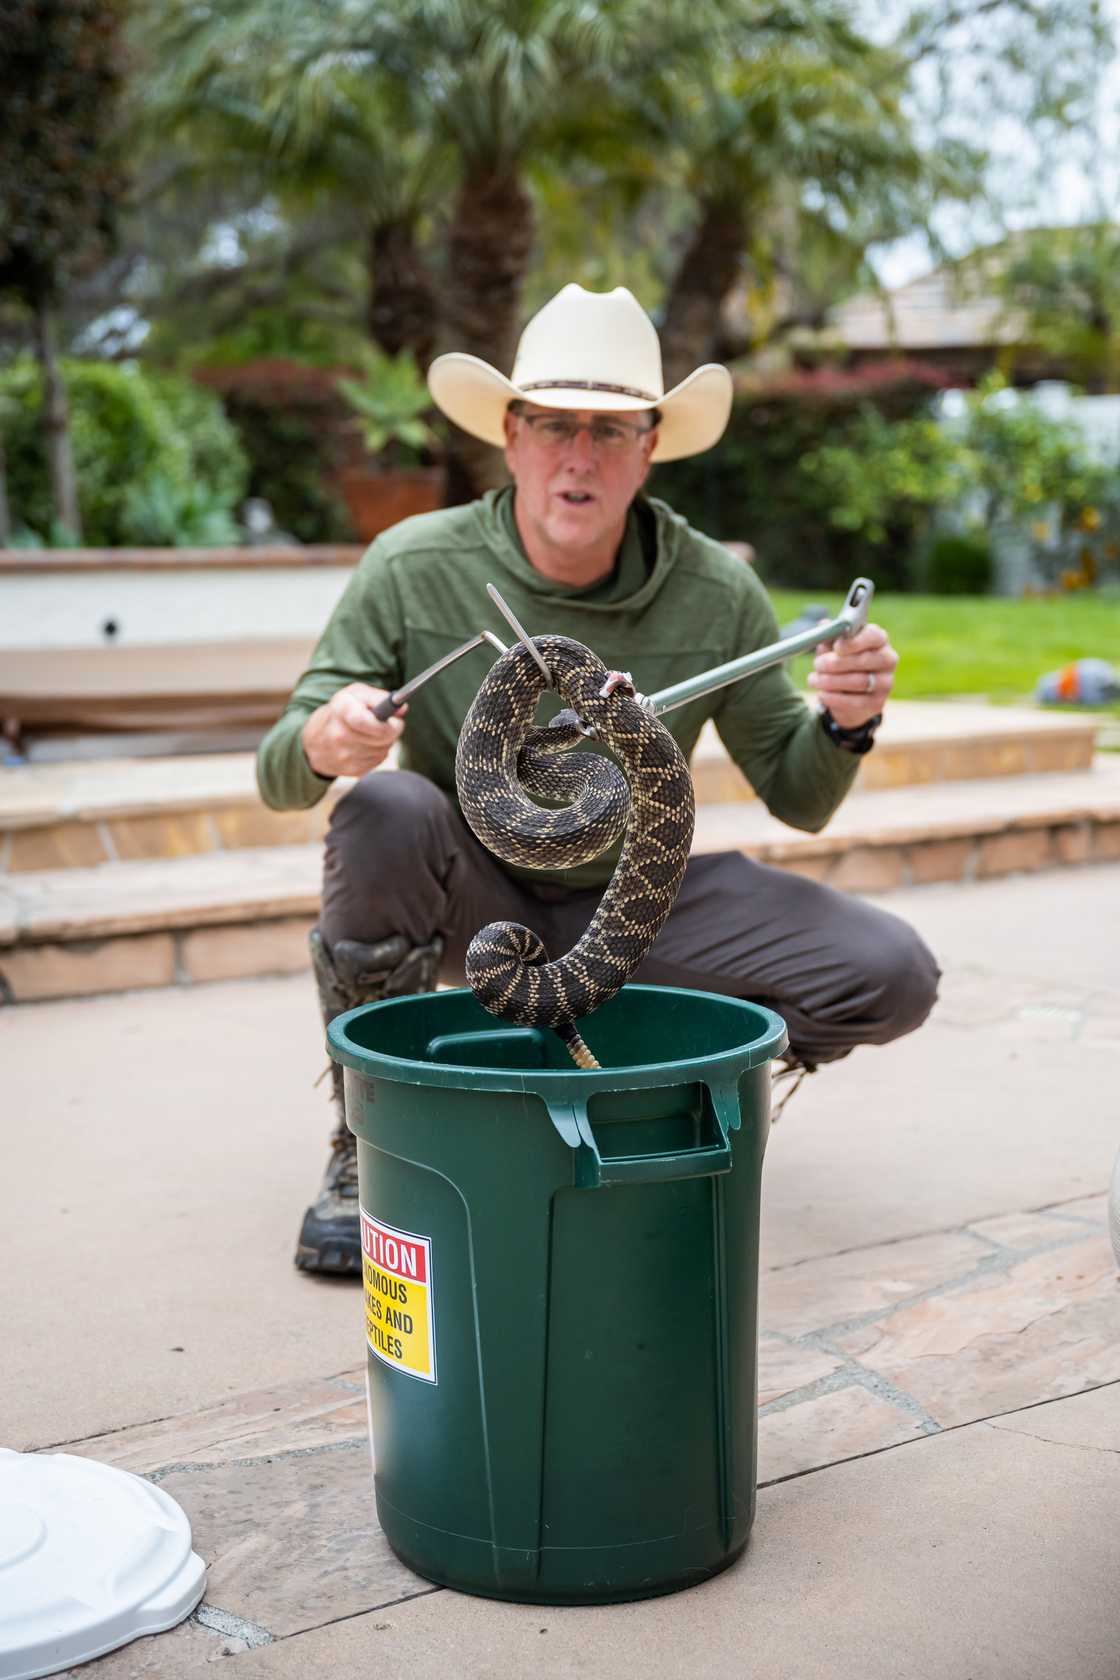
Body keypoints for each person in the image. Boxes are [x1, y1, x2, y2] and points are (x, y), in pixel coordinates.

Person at [257, 283, 940, 1277]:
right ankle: (371, 1140)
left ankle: (651, 1074)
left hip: (644, 896)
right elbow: (280, 770)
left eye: (611, 431)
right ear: (511, 432)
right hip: (477, 903)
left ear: (651, 444)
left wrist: (846, 720)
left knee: (890, 971)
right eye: (555, 425)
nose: (579, 456)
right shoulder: (412, 565)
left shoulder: (715, 587)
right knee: (386, 805)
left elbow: (800, 796)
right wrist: (326, 738)